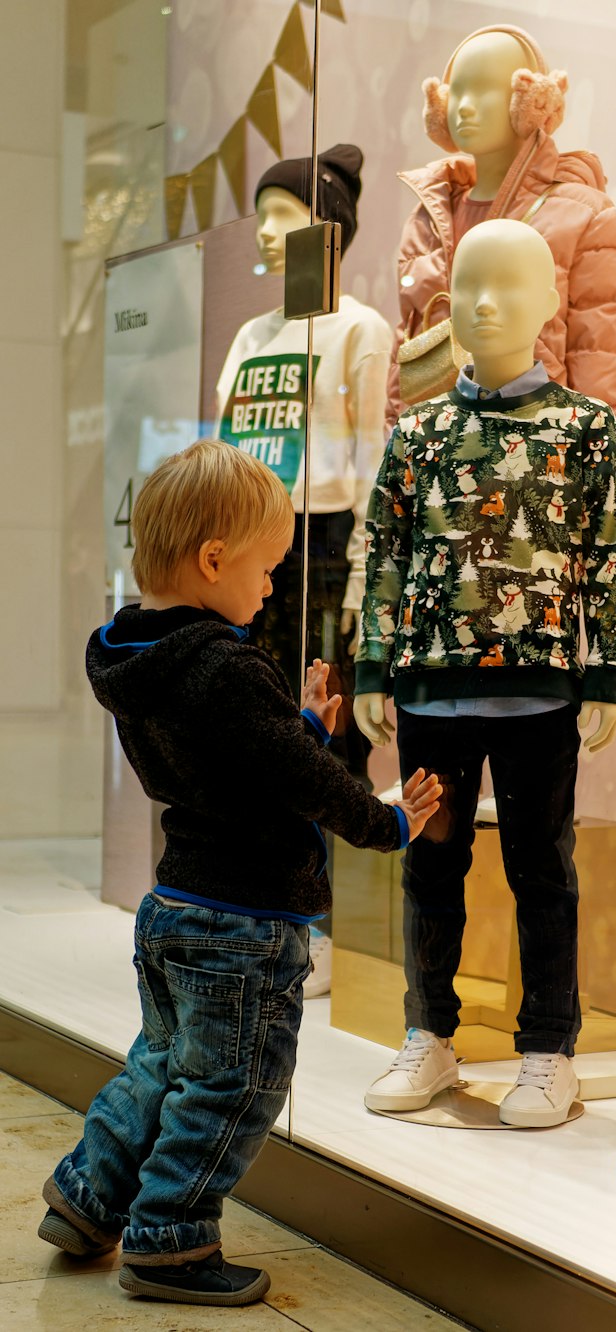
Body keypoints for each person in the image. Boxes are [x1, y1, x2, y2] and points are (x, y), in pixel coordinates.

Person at [37, 440, 440, 1305]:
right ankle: (170, 1244)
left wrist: (292, 719)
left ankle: (88, 1195)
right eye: (263, 570)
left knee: (160, 1063)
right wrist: (387, 820)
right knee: (232, 1085)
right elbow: (298, 782)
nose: (268, 589)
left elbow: (228, 764)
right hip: (244, 923)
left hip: (176, 903)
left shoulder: (139, 657)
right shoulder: (225, 663)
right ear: (213, 559)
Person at [356, 220, 616, 1127]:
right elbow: (386, 551)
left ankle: (550, 1049)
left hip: (540, 692)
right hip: (433, 686)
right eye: (470, 283)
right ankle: (430, 1034)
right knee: (431, 865)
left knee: (540, 871)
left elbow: (608, 559)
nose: (484, 302)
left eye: (509, 284)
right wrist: (372, 662)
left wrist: (605, 674)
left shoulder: (586, 430)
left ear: (550, 300)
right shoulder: (420, 432)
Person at [216, 144, 393, 996]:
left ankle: (323, 922)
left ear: (329, 228)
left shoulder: (359, 329)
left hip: (322, 539)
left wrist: (362, 569)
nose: (268, 228)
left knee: (320, 733)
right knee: (250, 727)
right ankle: (256, 903)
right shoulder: (252, 336)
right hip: (247, 539)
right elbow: (222, 444)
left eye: (286, 213)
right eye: (263, 213)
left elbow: (366, 458)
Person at [386, 24, 616, 430]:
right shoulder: (428, 218)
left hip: (536, 459)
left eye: (484, 89)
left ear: (533, 100)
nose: (464, 106)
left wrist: (587, 462)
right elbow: (405, 350)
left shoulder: (583, 217)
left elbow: (597, 357)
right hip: (436, 458)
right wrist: (397, 446)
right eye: (457, 92)